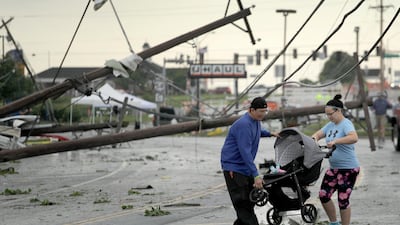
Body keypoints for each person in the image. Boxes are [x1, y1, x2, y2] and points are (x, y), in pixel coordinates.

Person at [220, 97, 278, 225]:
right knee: (243, 205)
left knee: (249, 203)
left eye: (265, 111)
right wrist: (256, 174)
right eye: (260, 111)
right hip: (234, 168)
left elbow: (256, 132)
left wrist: (269, 134)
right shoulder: (243, 124)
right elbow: (245, 152)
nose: (263, 114)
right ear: (251, 110)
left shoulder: (255, 120)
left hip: (244, 167)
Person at [311, 94, 360, 225]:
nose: (329, 117)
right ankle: (334, 223)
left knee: (343, 200)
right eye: (327, 114)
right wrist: (314, 140)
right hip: (334, 169)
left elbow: (354, 138)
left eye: (330, 114)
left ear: (338, 111)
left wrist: (336, 141)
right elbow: (317, 134)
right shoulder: (330, 125)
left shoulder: (346, 124)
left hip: (348, 169)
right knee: (323, 195)